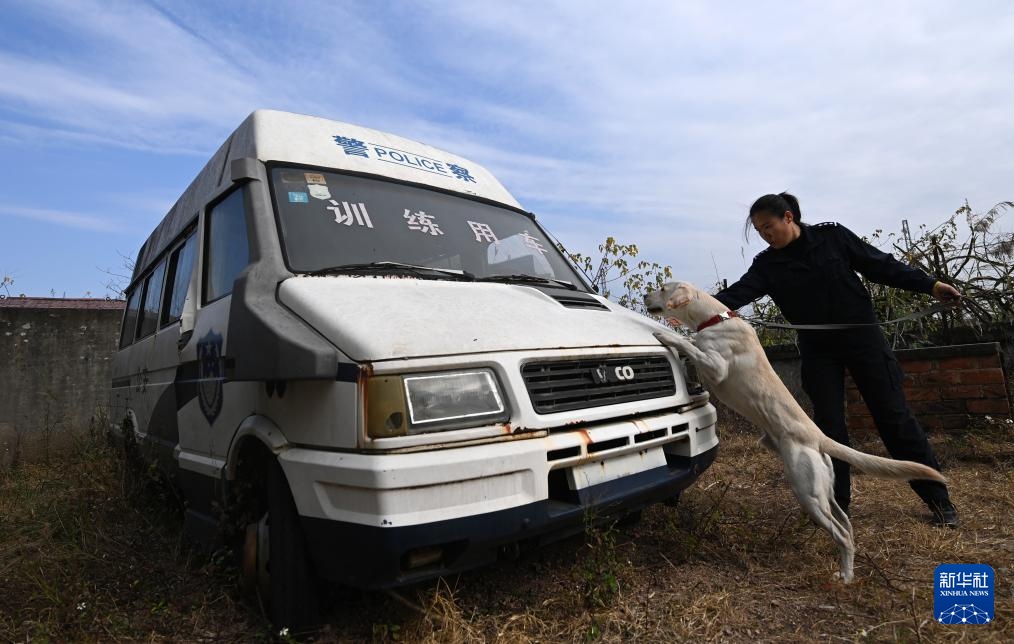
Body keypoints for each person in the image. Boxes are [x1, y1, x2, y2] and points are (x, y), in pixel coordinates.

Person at [714, 192, 960, 527]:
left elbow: (880, 265)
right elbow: (736, 294)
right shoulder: (767, 265)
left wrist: (930, 285)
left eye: (768, 226)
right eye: (758, 230)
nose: (764, 235)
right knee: (828, 428)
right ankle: (836, 505)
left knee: (894, 417)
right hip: (818, 351)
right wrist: (697, 307)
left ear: (788, 217)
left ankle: (940, 501)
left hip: (864, 341)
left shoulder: (832, 237)